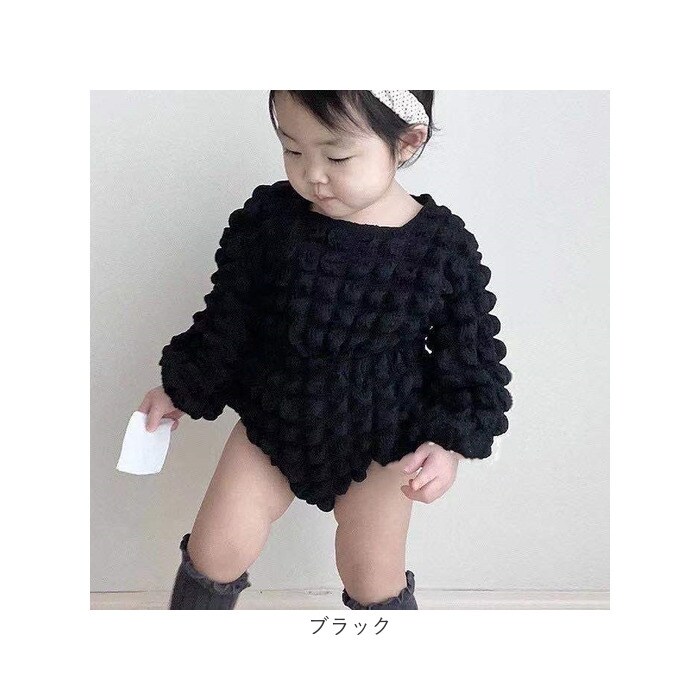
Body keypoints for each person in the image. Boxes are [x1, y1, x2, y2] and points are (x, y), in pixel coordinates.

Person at [138, 90, 513, 610]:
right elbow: (229, 318)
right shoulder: (270, 221)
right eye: (292, 150)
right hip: (273, 417)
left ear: (407, 142)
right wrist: (181, 386)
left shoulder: (440, 247)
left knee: (372, 574)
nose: (312, 174)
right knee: (215, 550)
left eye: (337, 156)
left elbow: (468, 356)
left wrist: (447, 443)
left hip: (384, 437)